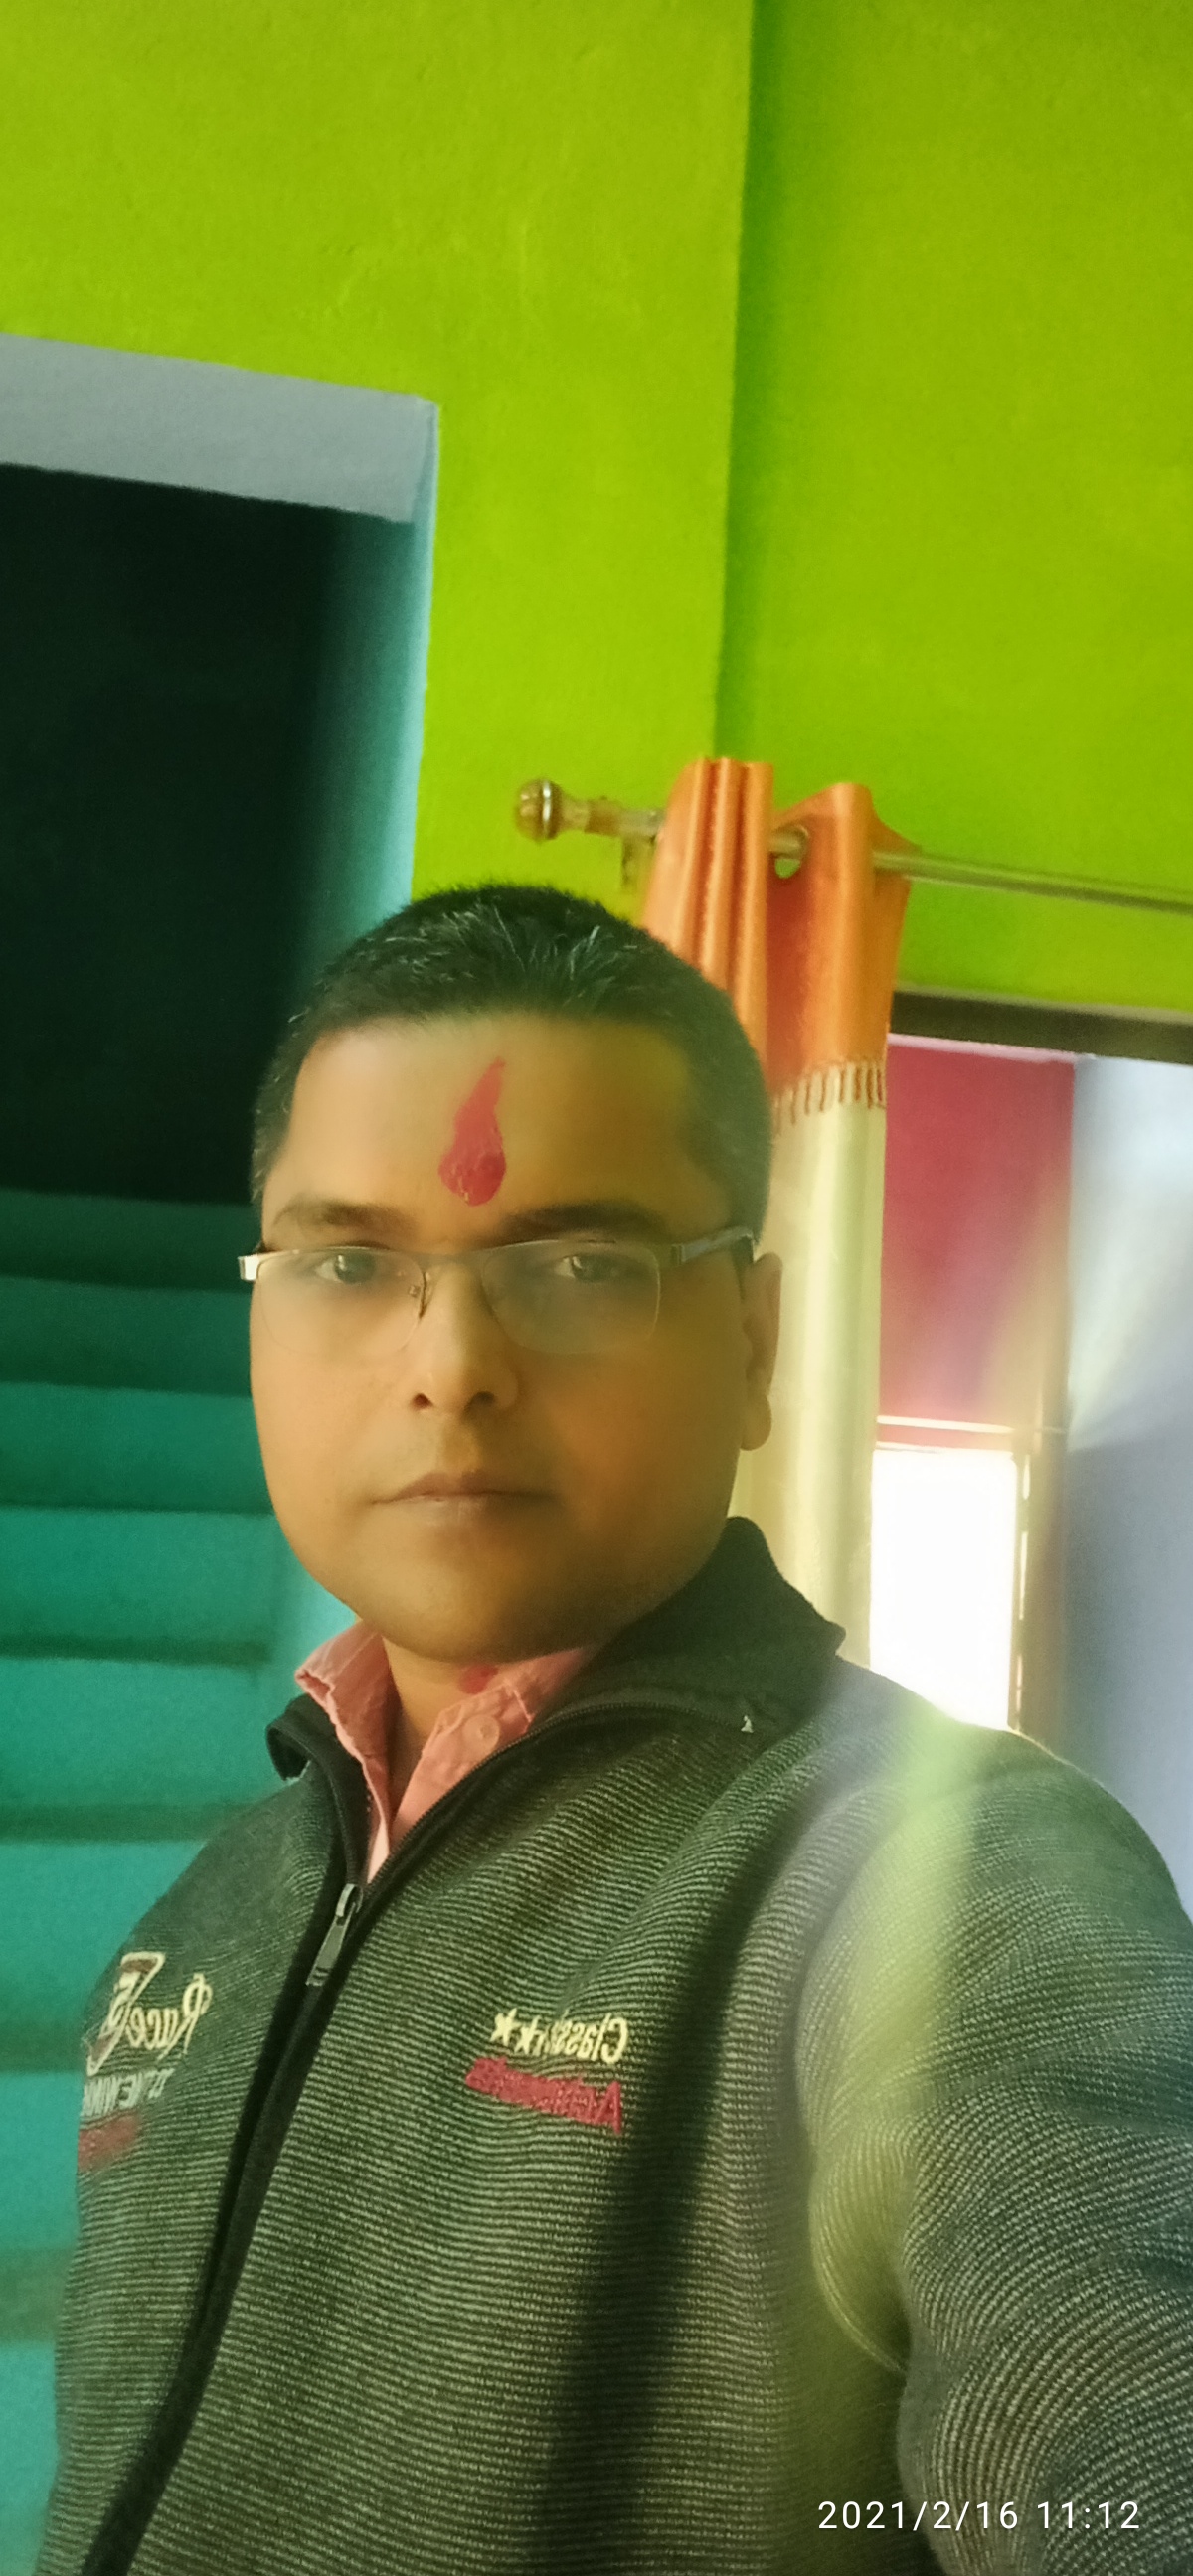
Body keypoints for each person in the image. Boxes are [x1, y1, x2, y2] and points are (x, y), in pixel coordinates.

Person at [40, 886, 1193, 2576]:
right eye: (349, 1262)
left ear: (754, 1342)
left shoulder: (951, 1890)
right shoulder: (202, 1922)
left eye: (582, 1264)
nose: (452, 1364)